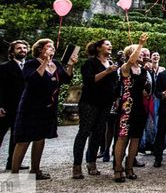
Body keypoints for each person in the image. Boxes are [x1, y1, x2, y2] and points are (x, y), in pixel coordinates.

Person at [11, 39, 77, 178]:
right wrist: (45, 62)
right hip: (31, 105)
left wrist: (71, 64)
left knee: (40, 138)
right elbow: (32, 79)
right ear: (40, 49)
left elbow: (66, 78)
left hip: (48, 106)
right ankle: (14, 174)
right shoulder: (31, 63)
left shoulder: (56, 64)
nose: (52, 48)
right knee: (24, 139)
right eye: (48, 47)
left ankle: (35, 171)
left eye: (53, 46)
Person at [72, 39, 118, 179]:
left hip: (105, 103)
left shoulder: (110, 64)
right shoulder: (90, 63)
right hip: (90, 102)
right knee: (84, 132)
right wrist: (107, 72)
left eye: (111, 44)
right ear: (98, 48)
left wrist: (115, 97)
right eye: (107, 44)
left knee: (98, 133)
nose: (110, 46)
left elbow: (114, 83)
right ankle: (77, 166)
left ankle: (91, 162)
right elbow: (89, 81)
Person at [113, 33, 150, 182]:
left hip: (139, 107)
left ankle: (129, 167)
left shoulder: (144, 71)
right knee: (122, 137)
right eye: (138, 52)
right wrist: (140, 43)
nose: (141, 54)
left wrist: (145, 92)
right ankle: (117, 168)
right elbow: (130, 61)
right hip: (126, 107)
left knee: (136, 138)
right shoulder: (125, 67)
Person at [0, 40, 29, 171]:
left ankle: (12, 162)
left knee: (16, 137)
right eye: (19, 48)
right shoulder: (4, 67)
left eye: (24, 48)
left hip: (22, 108)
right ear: (12, 52)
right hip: (7, 107)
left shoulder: (29, 66)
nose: (22, 50)